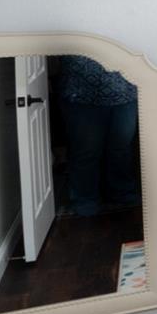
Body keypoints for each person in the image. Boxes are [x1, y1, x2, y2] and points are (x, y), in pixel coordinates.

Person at [53, 55, 141, 217]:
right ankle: (84, 202)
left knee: (121, 148)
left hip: (125, 92)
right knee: (86, 151)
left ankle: (122, 195)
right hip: (81, 93)